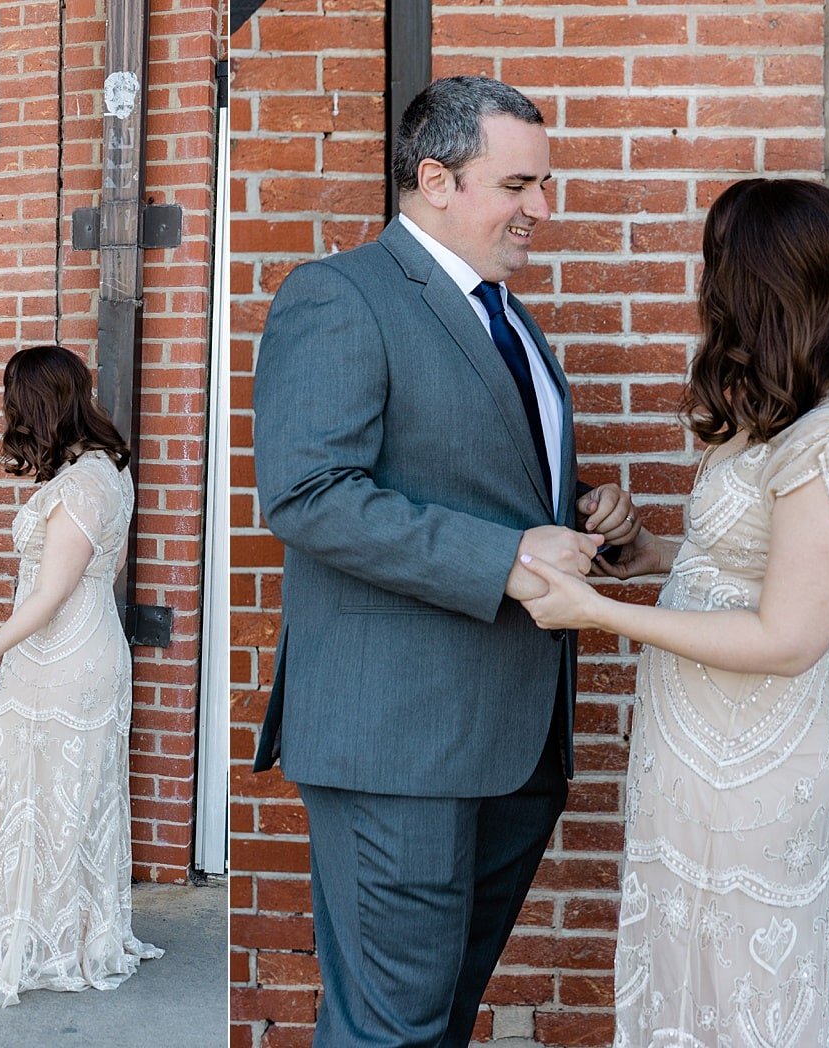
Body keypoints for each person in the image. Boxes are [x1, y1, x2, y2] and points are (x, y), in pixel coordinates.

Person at [251, 75, 639, 1045]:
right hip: (399, 743)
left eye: (540, 185)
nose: (539, 209)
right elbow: (306, 494)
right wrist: (504, 552)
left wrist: (591, 517)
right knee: (392, 1029)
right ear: (435, 178)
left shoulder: (512, 322)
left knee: (436, 1023)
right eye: (517, 185)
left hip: (511, 743)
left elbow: (488, 484)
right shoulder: (339, 296)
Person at [517, 178, 829, 1046]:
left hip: (758, 758)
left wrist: (597, 611)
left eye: (716, 266)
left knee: (743, 990)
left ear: (760, 283)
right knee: (679, 972)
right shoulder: (783, 404)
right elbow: (752, 563)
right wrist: (648, 556)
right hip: (691, 750)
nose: (704, 286)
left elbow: (787, 637)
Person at [0, 343, 162, 1006]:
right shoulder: (105, 467)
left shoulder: (83, 483)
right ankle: (66, 929)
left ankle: (50, 940)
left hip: (61, 660)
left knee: (43, 800)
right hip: (76, 650)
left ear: (33, 404)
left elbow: (50, 594)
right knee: (61, 798)